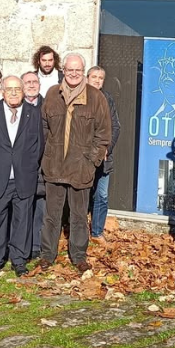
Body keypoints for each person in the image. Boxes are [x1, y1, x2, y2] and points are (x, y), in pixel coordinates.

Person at [39, 53, 111, 272]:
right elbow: (44, 128)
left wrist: (91, 161)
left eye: (77, 70)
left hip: (81, 168)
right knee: (52, 215)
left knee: (79, 215)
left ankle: (79, 255)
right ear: (63, 70)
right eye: (69, 70)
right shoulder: (52, 94)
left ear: (83, 71)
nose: (73, 74)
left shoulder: (96, 97)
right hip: (54, 166)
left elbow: (104, 134)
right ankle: (47, 255)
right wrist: (46, 156)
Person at [0, 76, 43, 278]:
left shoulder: (34, 114)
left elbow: (38, 145)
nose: (14, 93)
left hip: (24, 177)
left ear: (24, 91)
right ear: (3, 91)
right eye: (10, 89)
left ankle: (19, 260)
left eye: (17, 89)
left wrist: (30, 166)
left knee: (22, 220)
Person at [86, 66, 120, 242]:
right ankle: (78, 231)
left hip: (104, 157)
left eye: (101, 78)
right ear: (87, 78)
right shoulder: (80, 97)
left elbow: (115, 126)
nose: (97, 80)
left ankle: (97, 232)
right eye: (94, 77)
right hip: (83, 158)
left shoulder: (108, 99)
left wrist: (107, 148)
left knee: (102, 195)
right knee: (81, 195)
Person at [21, 70, 47, 259]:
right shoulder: (14, 107)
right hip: (20, 167)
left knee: (40, 208)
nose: (31, 85)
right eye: (28, 82)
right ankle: (19, 244)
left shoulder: (47, 106)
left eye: (35, 82)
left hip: (43, 165)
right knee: (21, 209)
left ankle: (36, 246)